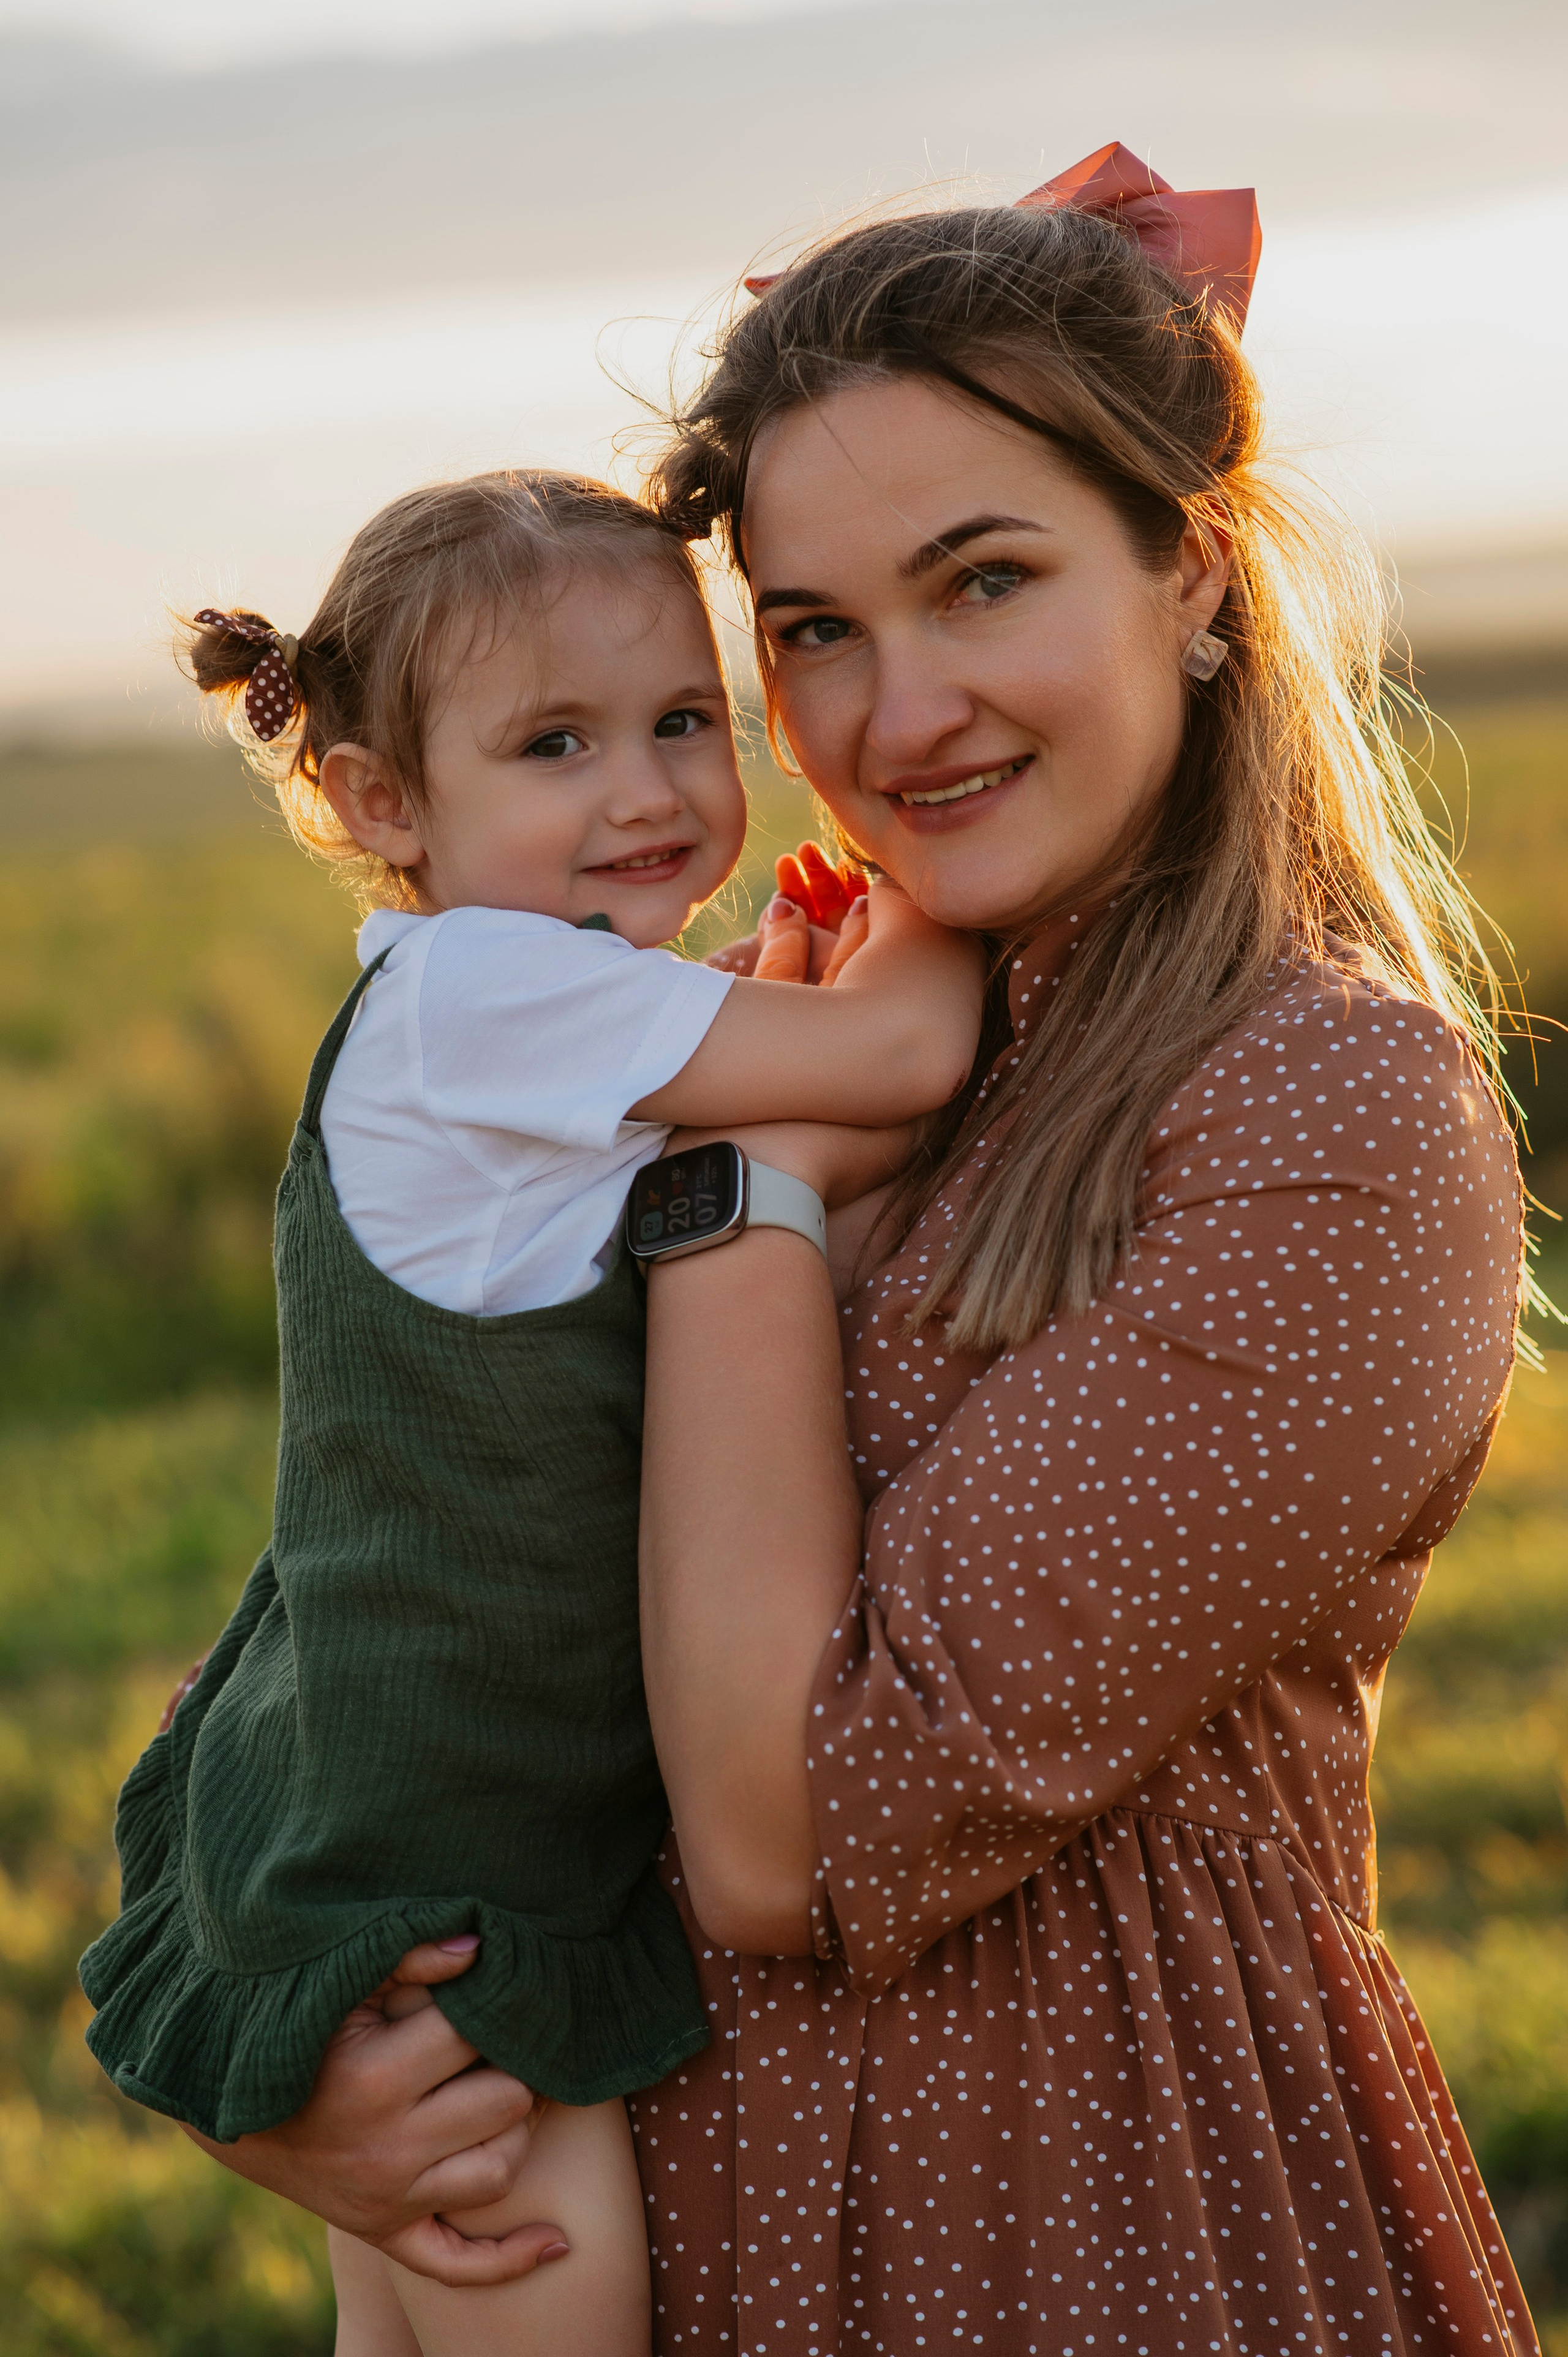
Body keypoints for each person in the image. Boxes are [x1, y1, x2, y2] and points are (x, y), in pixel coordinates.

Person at [158, 151, 1540, 2355]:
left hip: (1075, 2227)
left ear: (1189, 568)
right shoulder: (832, 1016)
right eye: (810, 632)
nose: (894, 723)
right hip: (635, 2188)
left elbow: (788, 1838)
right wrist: (294, 2050)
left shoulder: (1316, 1116)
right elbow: (382, 1576)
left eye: (984, 580)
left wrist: (747, 1173)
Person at [80, 467, 983, 2357]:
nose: (647, 792)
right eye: (555, 744)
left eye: (681, 721)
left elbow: (741, 1098)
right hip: (454, 1898)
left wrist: (766, 1008)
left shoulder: (500, 1000)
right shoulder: (496, 996)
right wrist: (906, 891)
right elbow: (905, 1064)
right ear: (378, 801)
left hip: (378, 1817)